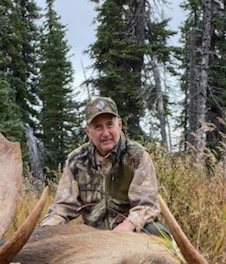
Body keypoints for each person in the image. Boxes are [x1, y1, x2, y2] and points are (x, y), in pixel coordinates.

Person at [39, 96, 166, 234]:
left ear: (119, 124)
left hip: (130, 232)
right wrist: (45, 230)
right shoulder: (76, 161)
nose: (105, 133)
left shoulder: (137, 157)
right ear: (88, 131)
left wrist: (127, 226)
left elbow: (146, 206)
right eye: (98, 127)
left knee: (157, 232)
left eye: (110, 124)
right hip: (93, 237)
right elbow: (62, 208)